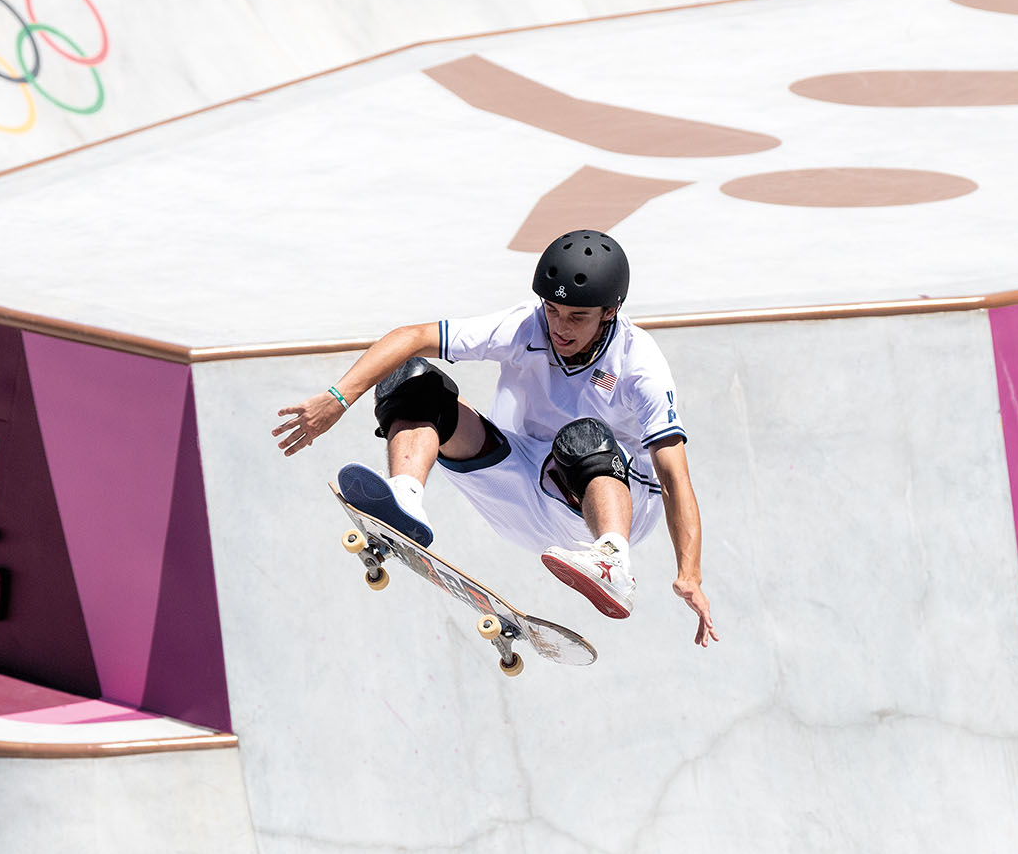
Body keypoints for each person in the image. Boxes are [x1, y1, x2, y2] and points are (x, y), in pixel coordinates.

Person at [273, 229, 716, 644]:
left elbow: (676, 476)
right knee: (411, 380)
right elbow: (410, 337)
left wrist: (689, 572)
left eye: (577, 317)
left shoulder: (641, 365)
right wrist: (338, 398)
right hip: (520, 480)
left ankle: (612, 563)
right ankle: (404, 498)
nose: (560, 328)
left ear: (610, 312)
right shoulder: (525, 327)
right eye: (553, 310)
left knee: (583, 438)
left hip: (612, 505)